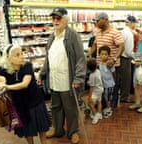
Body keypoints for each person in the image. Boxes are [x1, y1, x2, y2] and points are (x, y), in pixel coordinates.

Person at [0, 44, 51, 144]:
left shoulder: (26, 66)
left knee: (42, 129)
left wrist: (7, 86)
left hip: (35, 102)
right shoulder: (4, 69)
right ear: (9, 58)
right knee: (27, 131)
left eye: (21, 53)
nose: (21, 56)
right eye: (17, 55)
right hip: (20, 105)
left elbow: (25, 84)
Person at [39, 7, 86, 144]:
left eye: (58, 18)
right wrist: (42, 74)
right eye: (53, 18)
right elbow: (48, 58)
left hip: (68, 80)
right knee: (55, 107)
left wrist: (78, 78)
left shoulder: (72, 35)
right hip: (54, 80)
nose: (55, 20)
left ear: (66, 19)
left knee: (70, 108)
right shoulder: (52, 37)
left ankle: (73, 131)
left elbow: (80, 58)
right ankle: (58, 129)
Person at [88, 12, 124, 108]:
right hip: (100, 65)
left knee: (113, 85)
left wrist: (114, 59)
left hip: (112, 65)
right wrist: (88, 54)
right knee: (101, 85)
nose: (96, 23)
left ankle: (113, 105)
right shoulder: (98, 32)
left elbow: (121, 46)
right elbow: (95, 45)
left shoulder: (115, 32)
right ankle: (104, 104)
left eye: (98, 20)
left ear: (105, 19)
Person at [119, 15, 137, 103]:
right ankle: (124, 97)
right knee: (126, 79)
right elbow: (129, 51)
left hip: (120, 57)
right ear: (132, 23)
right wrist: (136, 57)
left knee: (121, 78)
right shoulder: (129, 34)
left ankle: (121, 94)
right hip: (126, 59)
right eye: (135, 23)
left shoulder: (122, 31)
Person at [98, 46, 116, 118]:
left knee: (108, 97)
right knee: (105, 96)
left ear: (108, 55)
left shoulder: (110, 64)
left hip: (109, 84)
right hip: (103, 84)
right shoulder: (99, 64)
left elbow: (114, 73)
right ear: (99, 55)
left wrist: (113, 81)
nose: (103, 56)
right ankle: (106, 107)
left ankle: (109, 109)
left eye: (105, 54)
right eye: (102, 54)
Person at [86, 58, 104, 124]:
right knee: (99, 102)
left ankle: (95, 115)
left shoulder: (92, 75)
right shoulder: (98, 71)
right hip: (100, 89)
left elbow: (91, 87)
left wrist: (89, 97)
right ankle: (99, 114)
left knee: (89, 103)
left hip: (95, 92)